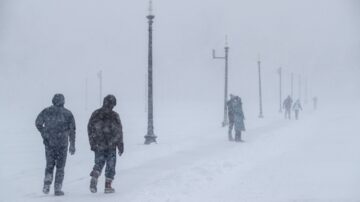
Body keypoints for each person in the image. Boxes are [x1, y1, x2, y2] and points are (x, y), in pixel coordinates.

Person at [35, 94, 76, 196]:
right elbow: (72, 130)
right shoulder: (68, 113)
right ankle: (57, 188)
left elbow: (38, 123)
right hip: (62, 144)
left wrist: (44, 133)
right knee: (60, 166)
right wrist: (72, 144)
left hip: (49, 143)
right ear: (63, 101)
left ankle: (47, 184)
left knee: (49, 165)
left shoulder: (46, 111)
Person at [88, 95, 124, 194]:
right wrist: (120, 144)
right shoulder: (115, 115)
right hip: (111, 144)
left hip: (99, 144)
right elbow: (119, 131)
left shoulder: (96, 113)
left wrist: (92, 142)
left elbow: (90, 129)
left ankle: (94, 177)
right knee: (111, 164)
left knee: (99, 163)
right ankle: (108, 186)